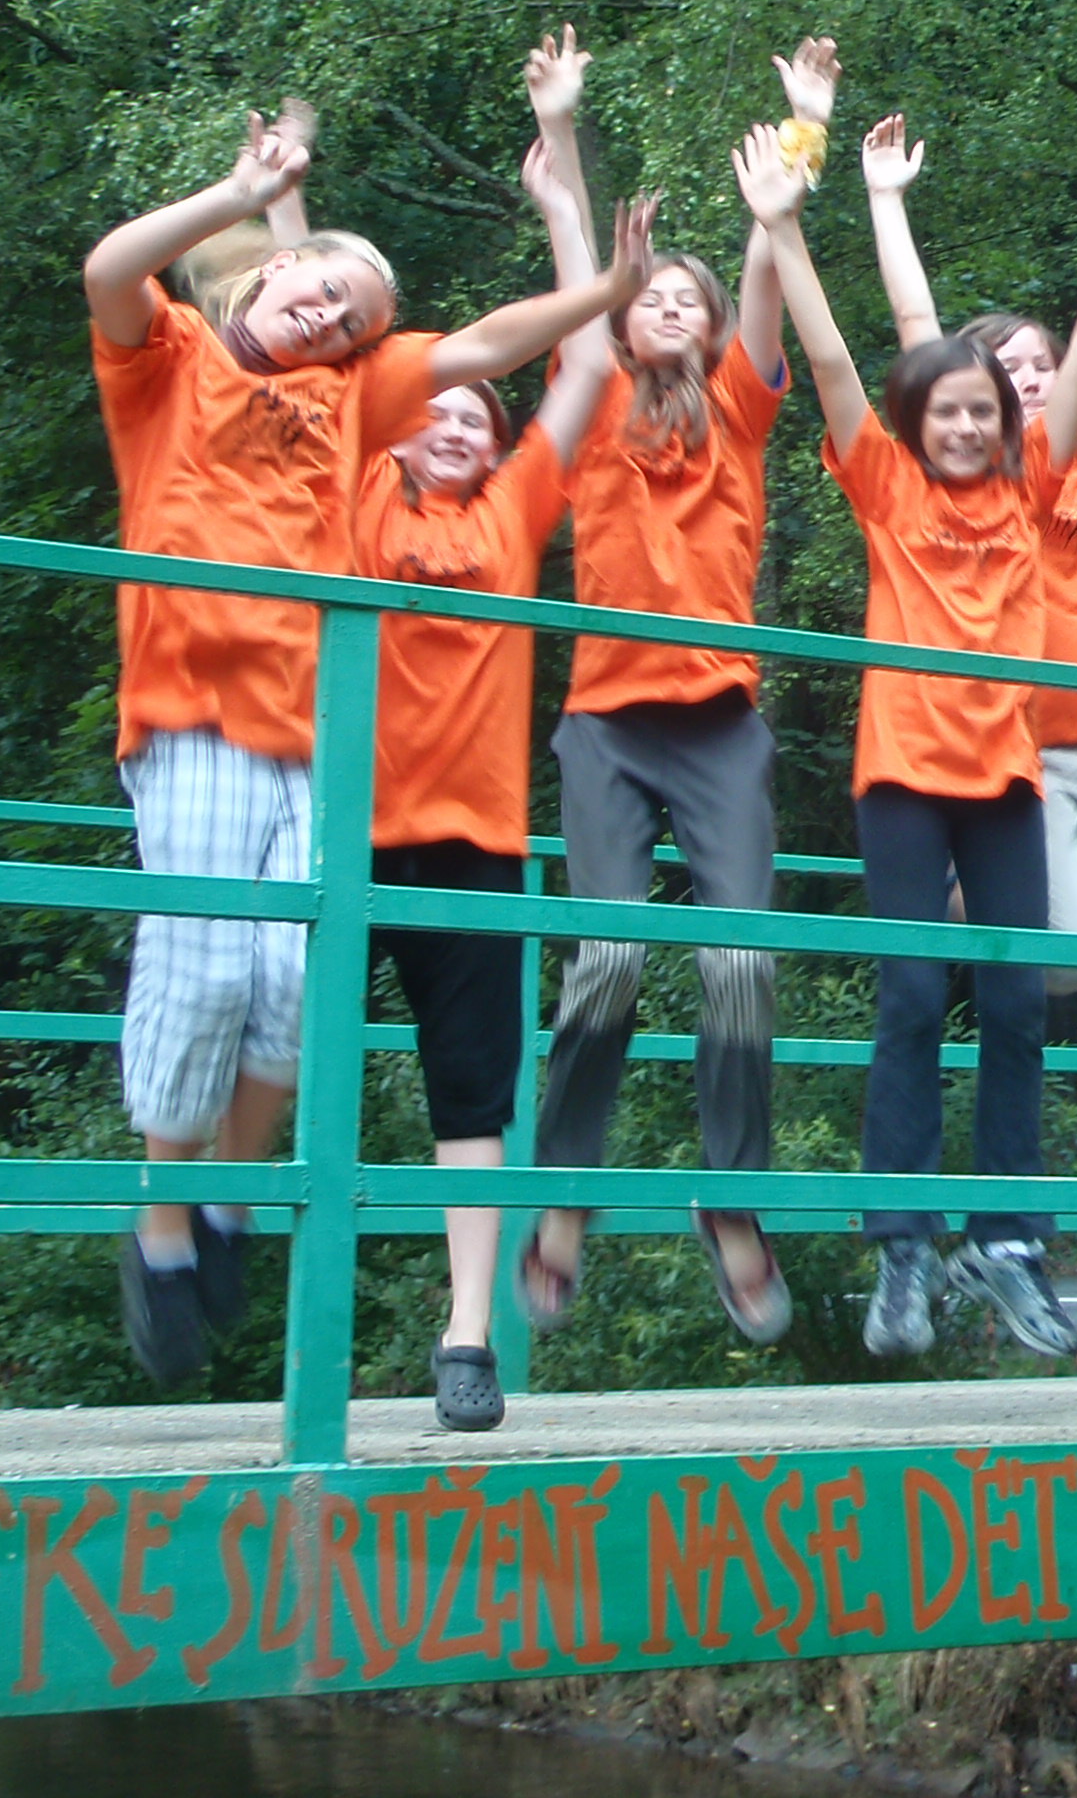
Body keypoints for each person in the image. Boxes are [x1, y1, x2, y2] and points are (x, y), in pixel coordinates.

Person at [85, 95, 638, 1386]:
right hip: (196, 709)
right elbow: (112, 269)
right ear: (272, 272)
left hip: (320, 742)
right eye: (322, 292)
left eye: (357, 320)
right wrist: (240, 197)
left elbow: (491, 345)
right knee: (207, 979)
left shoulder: (355, 400)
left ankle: (225, 1206)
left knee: (294, 998)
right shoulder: (171, 357)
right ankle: (164, 1230)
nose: (334, 321)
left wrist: (603, 288)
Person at [738, 120, 1077, 1363]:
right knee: (915, 1000)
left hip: (1007, 781)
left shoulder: (1034, 486)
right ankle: (904, 1248)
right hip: (905, 782)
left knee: (1020, 1006)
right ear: (918, 420)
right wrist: (788, 225)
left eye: (988, 411)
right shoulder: (886, 484)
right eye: (951, 411)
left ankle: (1010, 1241)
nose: (971, 426)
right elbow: (834, 354)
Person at [519, 33, 803, 1343]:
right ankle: (563, 1193)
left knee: (741, 962)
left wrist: (790, 162)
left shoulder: (739, 409)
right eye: (655, 298)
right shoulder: (593, 401)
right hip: (608, 723)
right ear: (627, 320)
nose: (674, 309)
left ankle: (730, 1200)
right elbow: (577, 278)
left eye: (693, 299)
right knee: (611, 960)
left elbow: (765, 279)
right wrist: (561, 133)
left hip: (719, 726)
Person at [348, 141, 620, 1428]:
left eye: (479, 416)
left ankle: (468, 1335)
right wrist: (286, 217)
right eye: (440, 409)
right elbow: (337, 360)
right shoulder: (354, 493)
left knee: (470, 1084)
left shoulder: (511, 517)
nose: (457, 424)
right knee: (278, 1040)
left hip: (471, 838)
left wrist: (565, 207)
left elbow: (588, 369)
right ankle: (213, 1233)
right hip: (345, 830)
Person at [862, 118, 1077, 1012]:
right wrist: (887, 203)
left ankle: (983, 897)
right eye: (1014, 368)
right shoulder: (989, 481)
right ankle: (970, 892)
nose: (1036, 377)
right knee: (1064, 965)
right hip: (1027, 737)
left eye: (1044, 364)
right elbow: (917, 330)